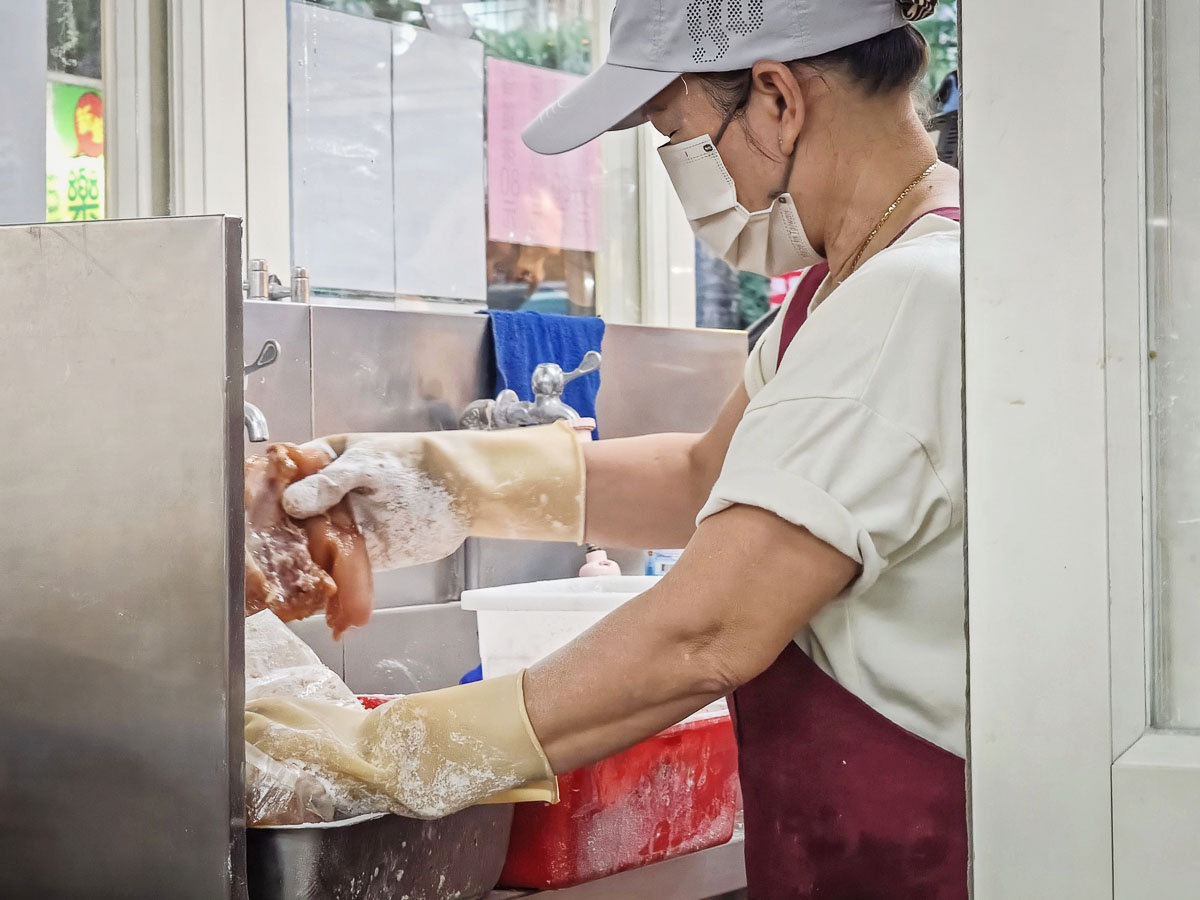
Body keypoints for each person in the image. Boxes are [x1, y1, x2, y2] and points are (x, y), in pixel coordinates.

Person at [246, 0, 967, 896]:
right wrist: (440, 479)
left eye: (678, 133)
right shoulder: (844, 287)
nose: (685, 175)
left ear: (778, 97)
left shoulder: (911, 300)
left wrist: (391, 750)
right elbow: (704, 477)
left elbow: (707, 629)